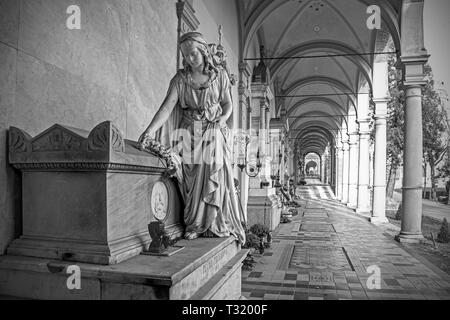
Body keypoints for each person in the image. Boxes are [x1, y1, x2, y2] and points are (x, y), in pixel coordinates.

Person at [138, 32, 245, 245]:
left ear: (204, 51)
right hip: (189, 135)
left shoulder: (220, 76)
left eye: (193, 54)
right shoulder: (180, 79)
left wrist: (222, 120)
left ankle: (213, 223)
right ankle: (195, 223)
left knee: (212, 167)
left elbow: (228, 104)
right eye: (185, 55)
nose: (189, 59)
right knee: (192, 182)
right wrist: (149, 131)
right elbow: (167, 108)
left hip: (213, 131)